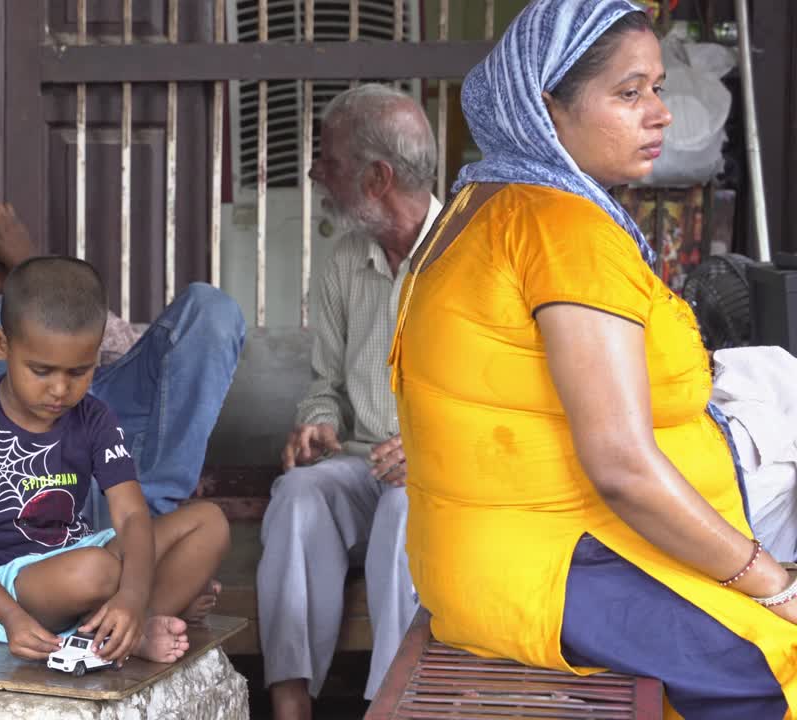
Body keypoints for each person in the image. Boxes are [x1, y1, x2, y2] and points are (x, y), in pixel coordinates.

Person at [388, 1, 796, 716]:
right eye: (628, 92)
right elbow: (621, 466)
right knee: (776, 664)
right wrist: (769, 580)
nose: (661, 114)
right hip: (558, 564)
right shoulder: (562, 226)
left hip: (483, 558)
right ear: (547, 107)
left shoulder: (480, 202)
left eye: (659, 88)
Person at [0, 201, 245, 566]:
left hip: (123, 471)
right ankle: (103, 547)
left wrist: (32, 269)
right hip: (28, 509)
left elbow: (132, 356)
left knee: (211, 309)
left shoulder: (75, 346)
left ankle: (139, 533)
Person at [0, 256, 230, 664]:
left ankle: (135, 623)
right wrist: (12, 617)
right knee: (98, 571)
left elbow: (133, 518)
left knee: (208, 523)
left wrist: (134, 598)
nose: (60, 389)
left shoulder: (93, 416)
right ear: (2, 345)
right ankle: (139, 621)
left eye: (79, 371)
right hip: (7, 589)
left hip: (85, 551)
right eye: (41, 370)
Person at [256, 84, 441, 719]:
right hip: (360, 466)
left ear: (377, 177)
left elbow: (508, 399)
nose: (314, 172)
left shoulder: (468, 256)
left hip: (444, 477)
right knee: (298, 496)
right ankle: (289, 704)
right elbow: (325, 384)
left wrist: (430, 450)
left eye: (327, 159)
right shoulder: (344, 262)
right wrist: (318, 423)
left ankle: (388, 707)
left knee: (402, 507)